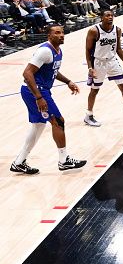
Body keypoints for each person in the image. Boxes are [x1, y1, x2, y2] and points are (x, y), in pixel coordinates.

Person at [10, 25, 87, 174]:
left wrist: (68, 81)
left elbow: (53, 71)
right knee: (58, 121)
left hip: (38, 90)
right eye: (57, 33)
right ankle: (64, 161)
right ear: (49, 36)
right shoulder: (45, 51)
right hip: (35, 91)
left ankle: (19, 162)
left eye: (62, 32)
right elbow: (27, 74)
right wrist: (38, 97)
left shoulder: (58, 51)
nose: (61, 35)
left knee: (38, 125)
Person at [84, 9, 123, 127]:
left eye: (111, 15)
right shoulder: (93, 31)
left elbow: (118, 48)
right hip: (98, 63)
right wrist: (90, 67)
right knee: (95, 90)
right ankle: (88, 115)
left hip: (112, 61)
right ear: (101, 17)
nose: (110, 17)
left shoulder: (117, 30)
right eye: (107, 15)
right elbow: (88, 50)